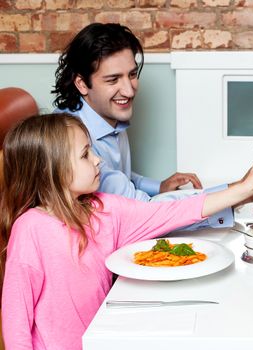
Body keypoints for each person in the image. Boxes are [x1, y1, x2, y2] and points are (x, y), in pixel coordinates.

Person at [0, 113, 253, 350]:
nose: (97, 161)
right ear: (51, 170)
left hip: (102, 340)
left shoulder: (103, 209)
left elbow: (172, 212)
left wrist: (239, 191)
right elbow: (16, 319)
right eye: (85, 155)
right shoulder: (31, 229)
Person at [52, 22, 233, 230]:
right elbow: (145, 212)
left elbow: (118, 177)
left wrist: (159, 187)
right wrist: (232, 195)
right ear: (82, 84)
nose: (129, 91)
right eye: (113, 80)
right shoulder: (71, 137)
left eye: (131, 74)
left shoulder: (105, 113)